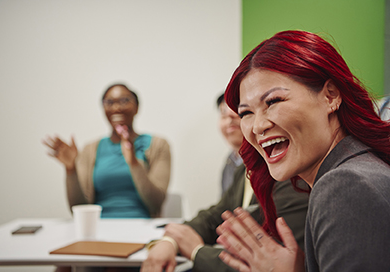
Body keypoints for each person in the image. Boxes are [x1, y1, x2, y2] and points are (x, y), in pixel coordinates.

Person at [216, 30, 390, 272]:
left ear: (330, 96)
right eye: (246, 113)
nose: (257, 126)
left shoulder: (345, 186)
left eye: (273, 101)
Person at [140, 94, 309, 272]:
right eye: (224, 113)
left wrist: (197, 252)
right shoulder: (241, 171)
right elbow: (215, 216)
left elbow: (270, 262)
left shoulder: (289, 173)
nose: (231, 118)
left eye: (243, 112)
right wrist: (170, 240)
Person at [43, 83, 171, 218]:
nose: (116, 107)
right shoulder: (90, 149)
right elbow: (79, 209)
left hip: (142, 227)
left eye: (124, 101)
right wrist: (71, 170)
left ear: (137, 107)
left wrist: (133, 162)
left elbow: (156, 203)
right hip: (99, 228)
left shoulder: (158, 145)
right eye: (109, 102)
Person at [217, 94, 244, 195]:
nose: (230, 119)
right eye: (223, 115)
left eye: (237, 112)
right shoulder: (229, 162)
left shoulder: (265, 159)